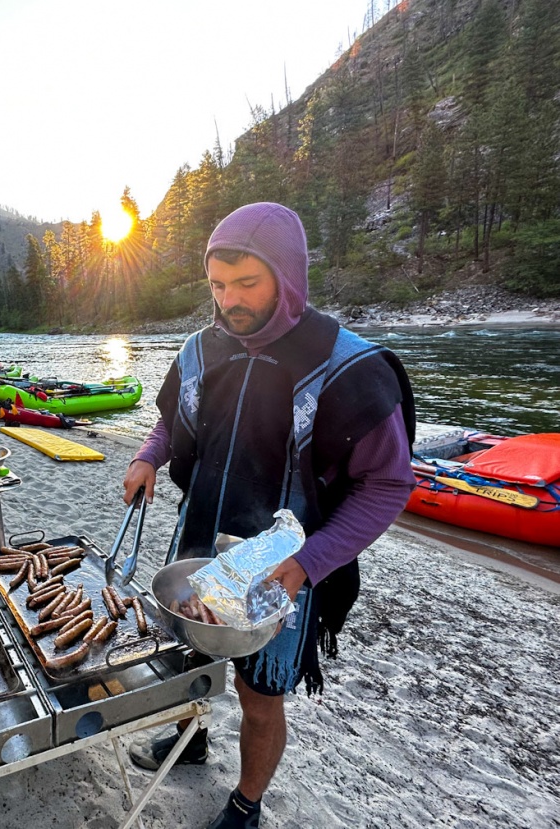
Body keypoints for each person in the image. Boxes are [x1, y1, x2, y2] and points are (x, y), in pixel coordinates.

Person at [122, 202, 416, 828]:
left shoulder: (347, 367)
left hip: (283, 568)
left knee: (259, 697)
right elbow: (172, 422)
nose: (230, 300)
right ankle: (191, 741)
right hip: (199, 543)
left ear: (288, 276)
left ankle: (246, 804)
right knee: (186, 659)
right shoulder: (202, 350)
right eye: (218, 285)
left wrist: (309, 562)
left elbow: (388, 484)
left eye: (247, 283)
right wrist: (150, 456)